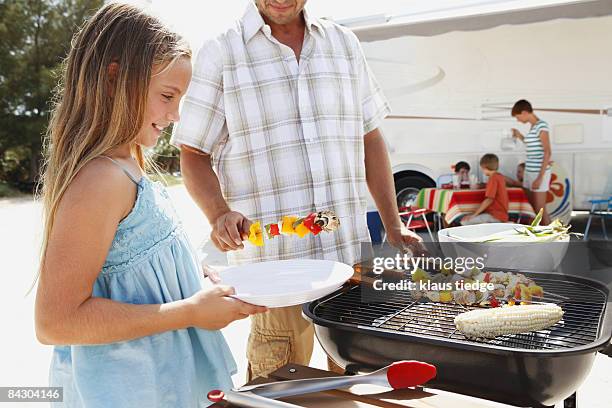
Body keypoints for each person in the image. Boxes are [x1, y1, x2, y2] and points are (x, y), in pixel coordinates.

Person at [171, 0, 422, 380]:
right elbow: (192, 152)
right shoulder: (221, 52)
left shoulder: (344, 44)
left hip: (348, 267)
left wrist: (393, 225)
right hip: (276, 278)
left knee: (353, 388)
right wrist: (218, 212)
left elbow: (369, 137)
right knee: (278, 393)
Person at [34, 4, 266, 407]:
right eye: (166, 96)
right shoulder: (100, 179)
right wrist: (190, 312)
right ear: (113, 78)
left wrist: (195, 275)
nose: (175, 115)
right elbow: (56, 322)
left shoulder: (127, 163)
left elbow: (135, 265)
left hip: (158, 384)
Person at [511, 99, 552, 225]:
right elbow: (532, 146)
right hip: (530, 171)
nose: (518, 120)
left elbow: (547, 152)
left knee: (540, 209)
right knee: (534, 208)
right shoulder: (533, 127)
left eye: (518, 117)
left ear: (524, 112)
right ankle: (542, 238)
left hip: (539, 173)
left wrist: (540, 177)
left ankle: (554, 239)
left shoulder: (541, 126)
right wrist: (520, 136)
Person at [462, 154, 509, 225]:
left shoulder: (492, 178)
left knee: (464, 222)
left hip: (495, 216)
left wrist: (474, 214)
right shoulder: (500, 176)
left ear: (484, 166)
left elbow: (489, 199)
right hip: (502, 215)